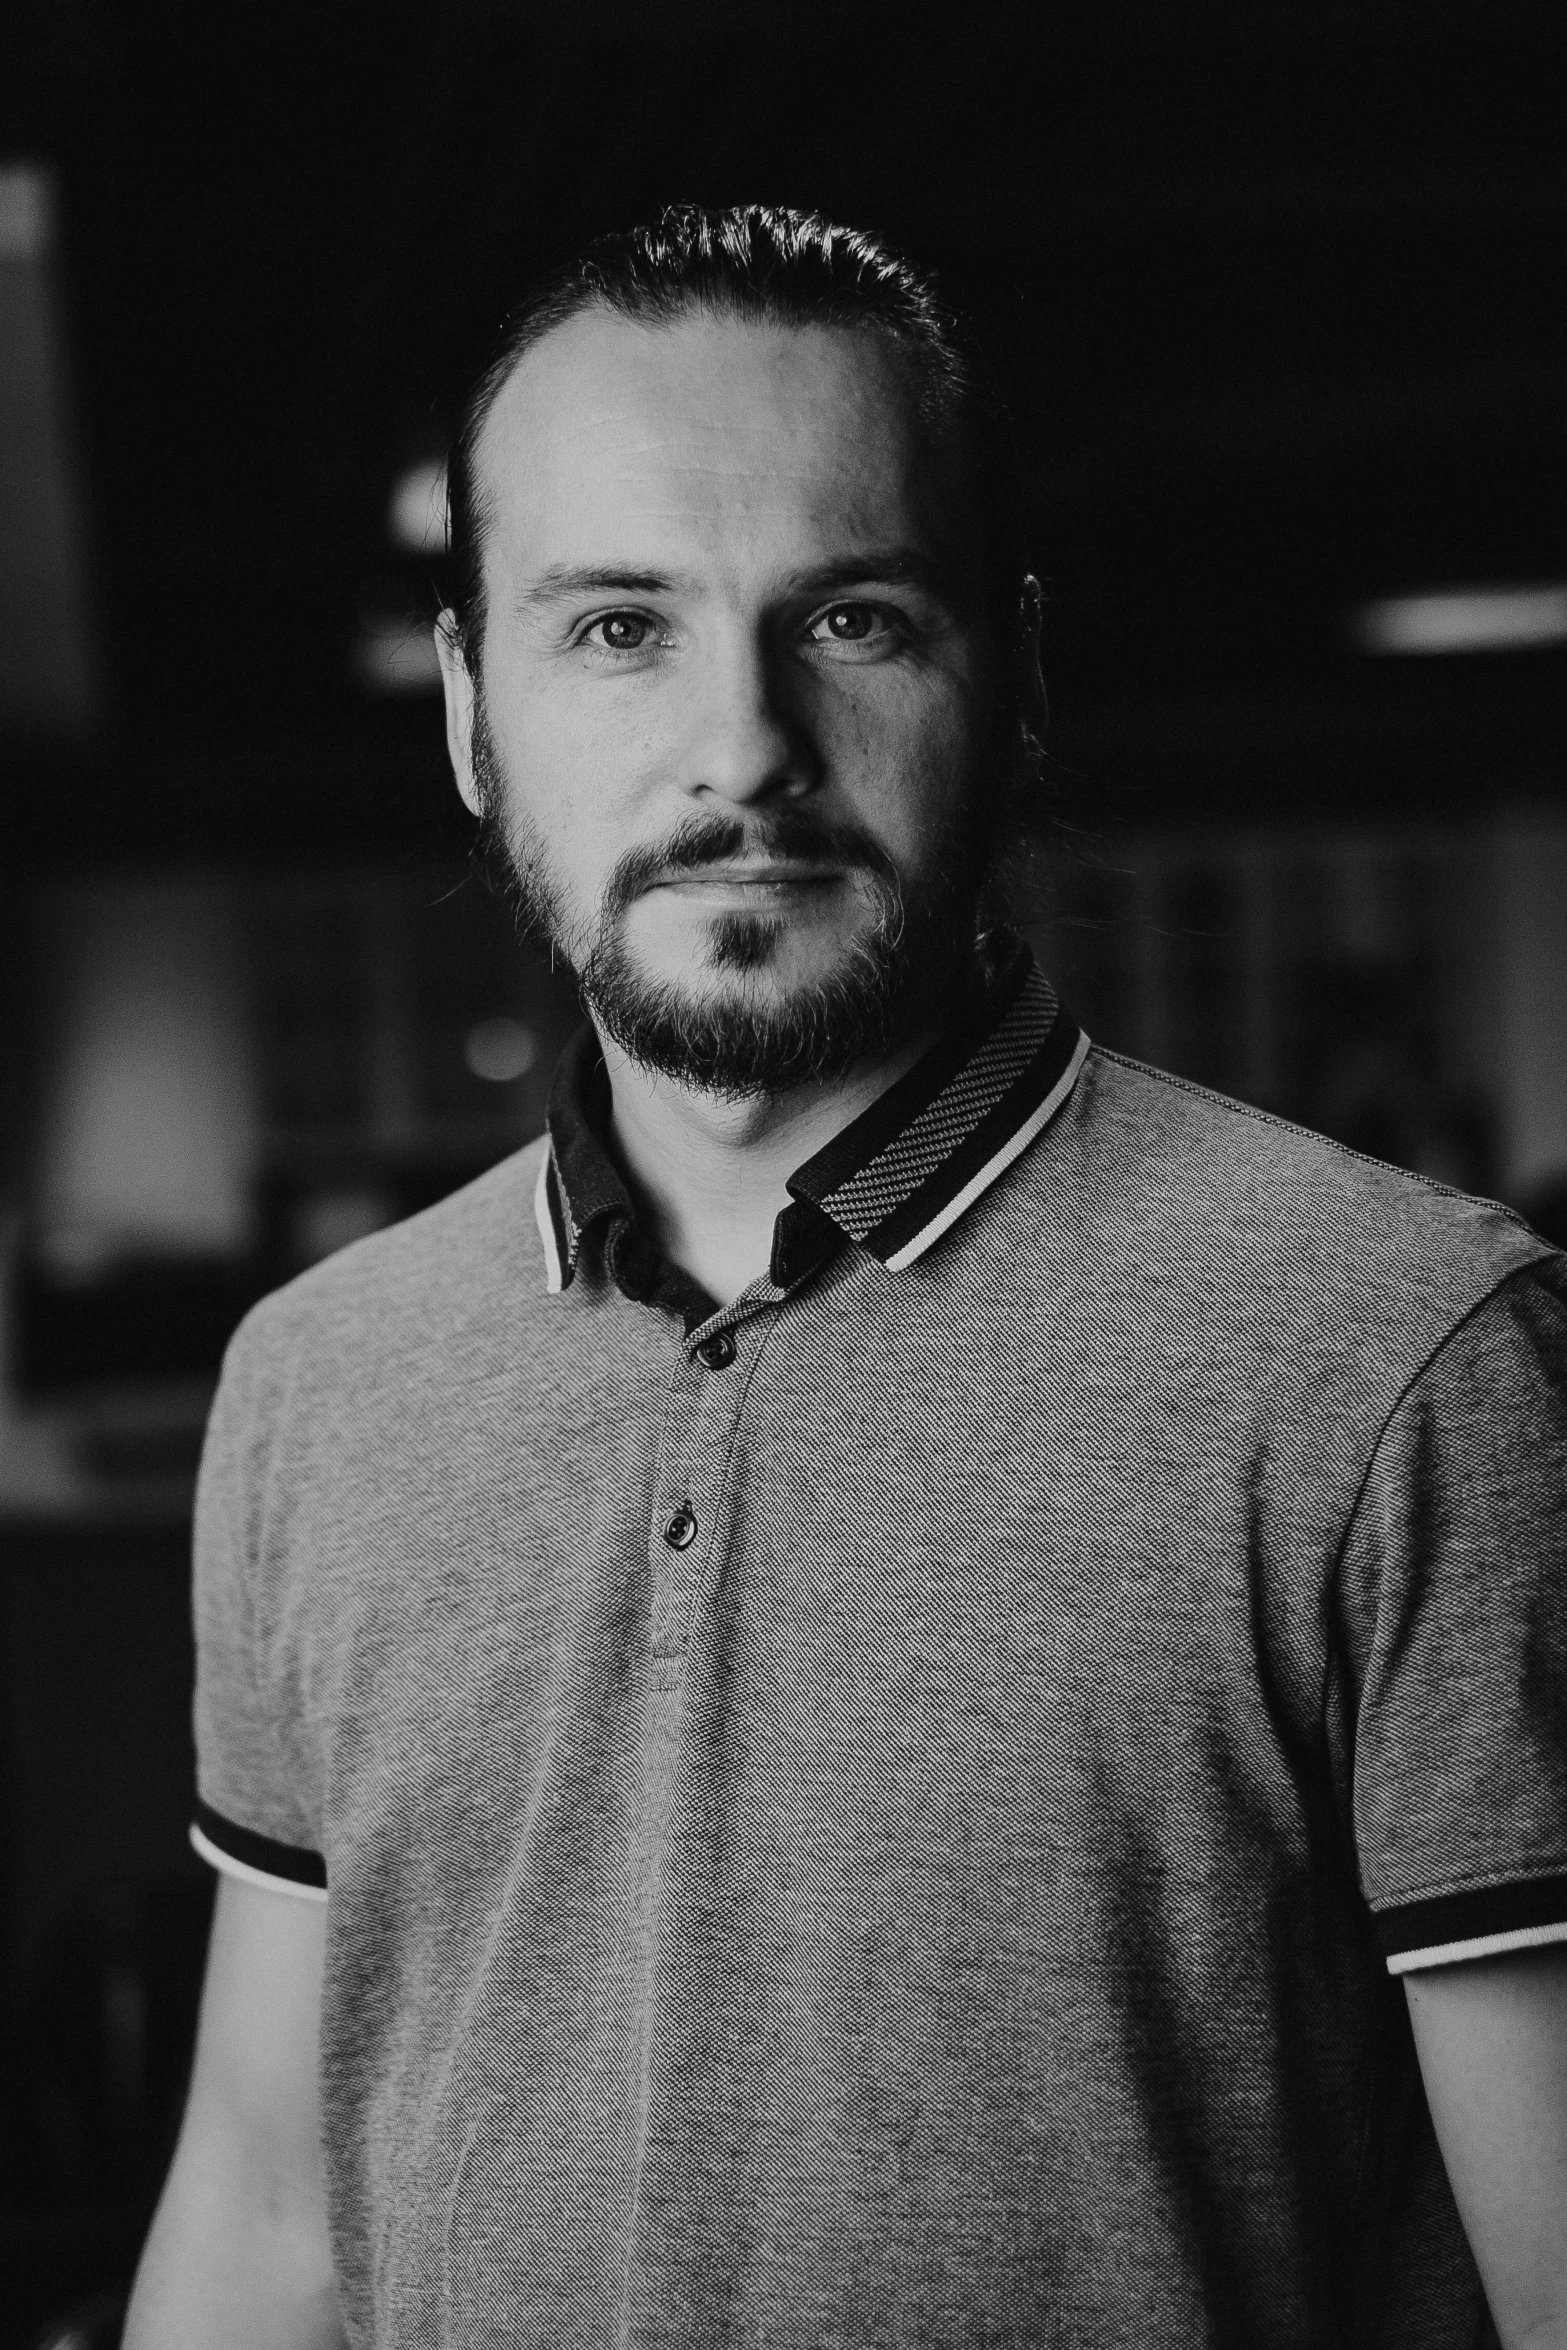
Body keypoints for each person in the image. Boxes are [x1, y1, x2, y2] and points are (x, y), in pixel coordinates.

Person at [124, 206, 1567, 2350]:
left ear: (1021, 670)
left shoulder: (1402, 1354)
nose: (743, 750)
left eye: (857, 619)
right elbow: (265, 2208)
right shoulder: (317, 1382)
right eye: (618, 626)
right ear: (467, 715)